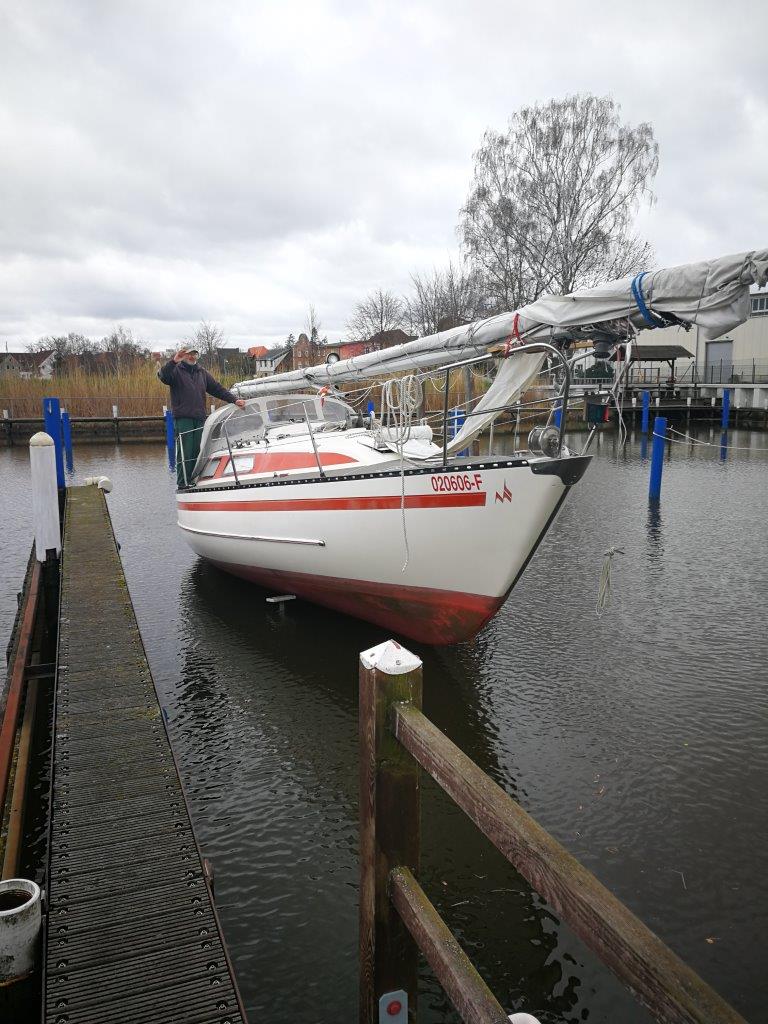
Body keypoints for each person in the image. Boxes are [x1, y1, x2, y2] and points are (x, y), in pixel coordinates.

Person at [159, 347, 245, 488]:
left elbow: (216, 388)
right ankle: (183, 483)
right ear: (184, 356)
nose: (192, 357)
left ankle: (193, 480)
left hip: (199, 417)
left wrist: (234, 400)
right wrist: (174, 361)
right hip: (183, 418)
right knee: (185, 451)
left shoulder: (201, 372)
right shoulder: (175, 371)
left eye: (194, 354)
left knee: (197, 451)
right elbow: (163, 376)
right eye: (189, 354)